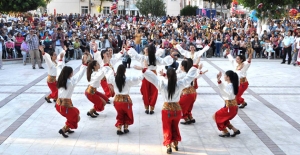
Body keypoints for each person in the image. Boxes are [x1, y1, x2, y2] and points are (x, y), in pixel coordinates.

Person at [139, 58, 201, 154]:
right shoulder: (179, 84)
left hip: (167, 110)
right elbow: (189, 77)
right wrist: (195, 65)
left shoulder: (162, 84)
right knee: (175, 126)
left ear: (166, 75)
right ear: (176, 76)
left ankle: (168, 145)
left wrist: (144, 69)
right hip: (177, 109)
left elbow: (153, 78)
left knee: (167, 127)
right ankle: (175, 143)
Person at [127, 44, 174, 114]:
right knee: (154, 91)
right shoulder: (156, 58)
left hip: (146, 74)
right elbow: (164, 61)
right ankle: (152, 107)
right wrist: (170, 56)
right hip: (153, 75)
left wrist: (129, 48)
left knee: (146, 91)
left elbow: (136, 56)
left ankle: (146, 107)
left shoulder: (144, 58)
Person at [55, 54, 88, 138]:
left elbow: (59, 69)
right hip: (64, 106)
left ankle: (67, 128)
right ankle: (64, 129)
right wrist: (84, 65)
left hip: (59, 105)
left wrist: (60, 60)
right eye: (72, 72)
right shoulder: (70, 83)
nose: (73, 74)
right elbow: (79, 76)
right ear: (70, 74)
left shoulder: (59, 78)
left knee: (75, 113)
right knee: (76, 117)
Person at [107, 64, 143, 135]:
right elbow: (138, 79)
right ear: (125, 71)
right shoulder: (128, 79)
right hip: (126, 101)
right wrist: (143, 71)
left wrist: (111, 70)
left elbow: (108, 77)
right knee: (127, 114)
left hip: (117, 101)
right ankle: (126, 128)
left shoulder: (113, 79)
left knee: (119, 114)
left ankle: (119, 128)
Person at [213, 71, 240, 137]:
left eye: (225, 75)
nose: (224, 77)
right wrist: (219, 80)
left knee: (216, 116)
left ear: (228, 77)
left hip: (229, 108)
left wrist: (219, 81)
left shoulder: (229, 86)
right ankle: (235, 130)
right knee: (224, 118)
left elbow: (224, 90)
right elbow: (224, 88)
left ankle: (225, 131)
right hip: (233, 107)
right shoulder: (232, 85)